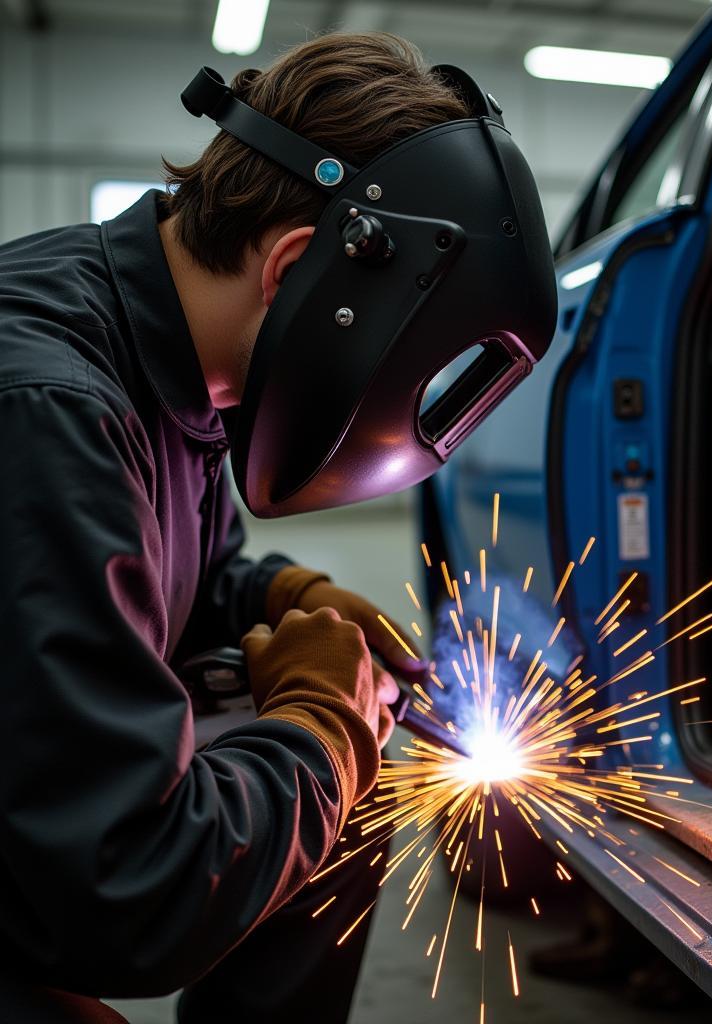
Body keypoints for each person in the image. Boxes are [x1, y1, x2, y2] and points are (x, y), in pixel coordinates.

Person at [0, 31, 549, 1023]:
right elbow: (121, 899)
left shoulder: (165, 361)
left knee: (346, 777)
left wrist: (289, 596)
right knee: (327, 755)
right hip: (72, 871)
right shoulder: (53, 406)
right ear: (303, 267)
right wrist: (324, 718)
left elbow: (193, 571)